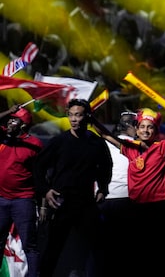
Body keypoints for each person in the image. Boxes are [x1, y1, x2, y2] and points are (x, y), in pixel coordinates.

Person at [90, 106, 165, 277]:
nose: (146, 130)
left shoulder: (162, 147)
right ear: (136, 129)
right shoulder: (130, 148)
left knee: (157, 254)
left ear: (156, 131)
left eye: (150, 127)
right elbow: (105, 134)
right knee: (135, 254)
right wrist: (92, 119)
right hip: (135, 210)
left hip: (159, 211)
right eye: (142, 126)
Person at [34, 99, 113, 277]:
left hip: (86, 201)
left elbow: (106, 166)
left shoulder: (96, 142)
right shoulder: (59, 141)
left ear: (87, 116)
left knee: (97, 246)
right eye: (71, 115)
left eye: (78, 115)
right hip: (62, 201)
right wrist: (45, 190)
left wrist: (103, 188)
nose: (74, 119)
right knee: (54, 246)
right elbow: (38, 166)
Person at [0, 104, 41, 276]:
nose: (9, 122)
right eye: (9, 119)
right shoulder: (2, 137)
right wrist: (10, 110)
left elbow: (41, 175)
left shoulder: (34, 145)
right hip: (1, 199)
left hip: (23, 199)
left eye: (14, 120)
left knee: (29, 244)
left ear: (23, 124)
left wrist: (43, 205)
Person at [97, 111, 137, 277]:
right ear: (131, 127)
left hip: (103, 199)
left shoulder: (104, 144)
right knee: (126, 247)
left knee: (104, 247)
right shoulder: (136, 147)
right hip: (126, 200)